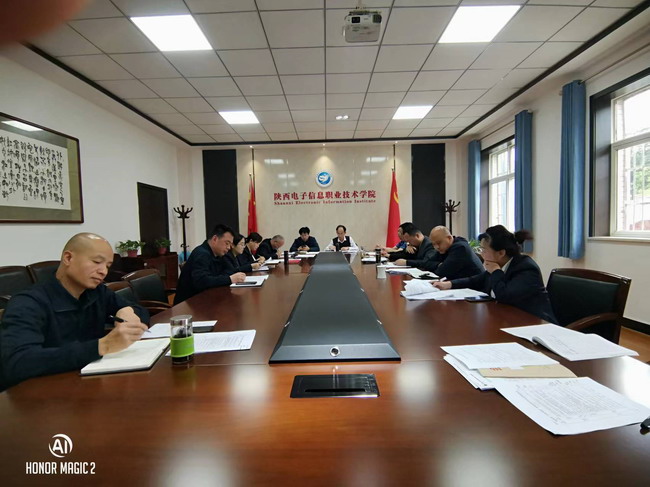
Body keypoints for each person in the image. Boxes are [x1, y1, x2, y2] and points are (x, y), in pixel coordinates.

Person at [0, 233, 150, 387]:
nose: (103, 271)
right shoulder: (28, 302)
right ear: (68, 258)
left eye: (107, 266)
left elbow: (142, 312)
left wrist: (126, 310)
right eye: (97, 262)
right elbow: (18, 362)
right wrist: (102, 346)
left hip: (88, 382)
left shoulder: (96, 292)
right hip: (41, 391)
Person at [433, 225, 556, 323]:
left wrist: (496, 271)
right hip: (507, 319)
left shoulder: (526, 268)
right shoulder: (499, 264)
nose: (482, 254)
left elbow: (504, 296)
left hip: (535, 324)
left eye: (484, 250)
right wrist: (449, 284)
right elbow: (475, 280)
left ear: (501, 253)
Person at [174, 224, 246, 305]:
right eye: (227, 243)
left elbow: (230, 271)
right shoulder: (201, 254)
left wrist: (225, 277)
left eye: (230, 244)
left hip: (206, 299)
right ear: (215, 239)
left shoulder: (218, 254)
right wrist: (229, 279)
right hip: (188, 304)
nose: (229, 247)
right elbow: (201, 281)